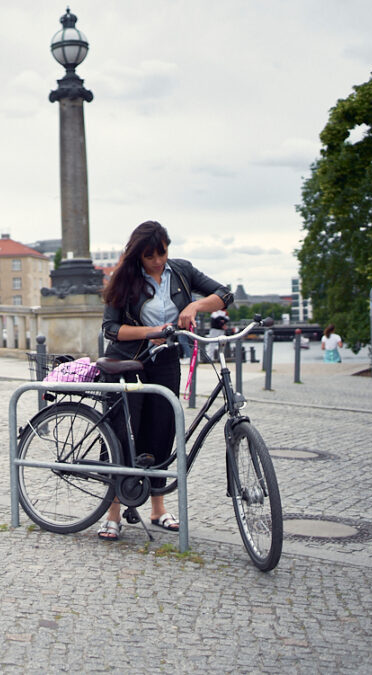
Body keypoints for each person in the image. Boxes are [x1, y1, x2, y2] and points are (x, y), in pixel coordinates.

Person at [99, 220, 234, 541]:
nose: (158, 260)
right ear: (137, 256)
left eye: (162, 252)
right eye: (149, 256)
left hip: (165, 361)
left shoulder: (182, 271)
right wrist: (153, 332)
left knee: (162, 430)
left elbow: (224, 294)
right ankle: (113, 512)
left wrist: (195, 304)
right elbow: (111, 328)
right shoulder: (125, 278)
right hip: (127, 360)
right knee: (123, 434)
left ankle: (158, 509)